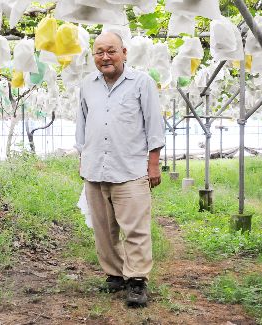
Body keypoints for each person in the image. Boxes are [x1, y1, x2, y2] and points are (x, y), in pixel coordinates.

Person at [75, 31, 165, 307]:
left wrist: (153, 164)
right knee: (103, 228)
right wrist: (83, 158)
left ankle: (137, 280)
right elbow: (83, 124)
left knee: (135, 228)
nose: (105, 57)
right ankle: (115, 275)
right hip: (95, 169)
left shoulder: (141, 82)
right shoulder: (87, 85)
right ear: (94, 57)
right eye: (99, 52)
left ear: (124, 53)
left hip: (130, 169)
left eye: (111, 51)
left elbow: (154, 126)